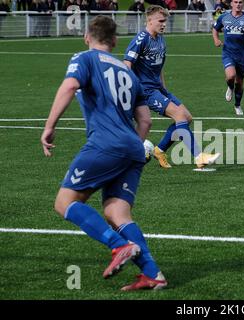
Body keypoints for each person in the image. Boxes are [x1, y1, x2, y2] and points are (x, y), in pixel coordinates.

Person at [40, 15, 167, 291]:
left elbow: (70, 85)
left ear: (87, 37)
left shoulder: (84, 58)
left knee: (64, 202)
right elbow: (145, 121)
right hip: (134, 148)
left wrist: (49, 127)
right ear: (115, 41)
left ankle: (119, 246)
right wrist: (131, 146)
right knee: (117, 212)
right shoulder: (129, 72)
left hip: (105, 144)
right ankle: (153, 274)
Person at [124, 5, 220, 169]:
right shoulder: (141, 39)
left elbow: (159, 66)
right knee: (179, 117)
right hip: (146, 91)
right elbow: (126, 65)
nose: (163, 24)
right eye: (160, 21)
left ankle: (159, 150)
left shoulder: (161, 39)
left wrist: (164, 89)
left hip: (158, 88)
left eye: (165, 21)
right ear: (149, 20)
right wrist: (132, 91)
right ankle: (199, 156)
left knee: (187, 117)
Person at [212, 0, 244, 116]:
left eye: (240, 2)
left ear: (243, 4)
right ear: (231, 4)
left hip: (242, 55)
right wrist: (216, 39)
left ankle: (237, 105)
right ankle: (230, 87)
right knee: (231, 75)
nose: (238, 4)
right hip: (228, 53)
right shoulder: (224, 17)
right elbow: (215, 29)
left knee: (240, 82)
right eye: (235, 2)